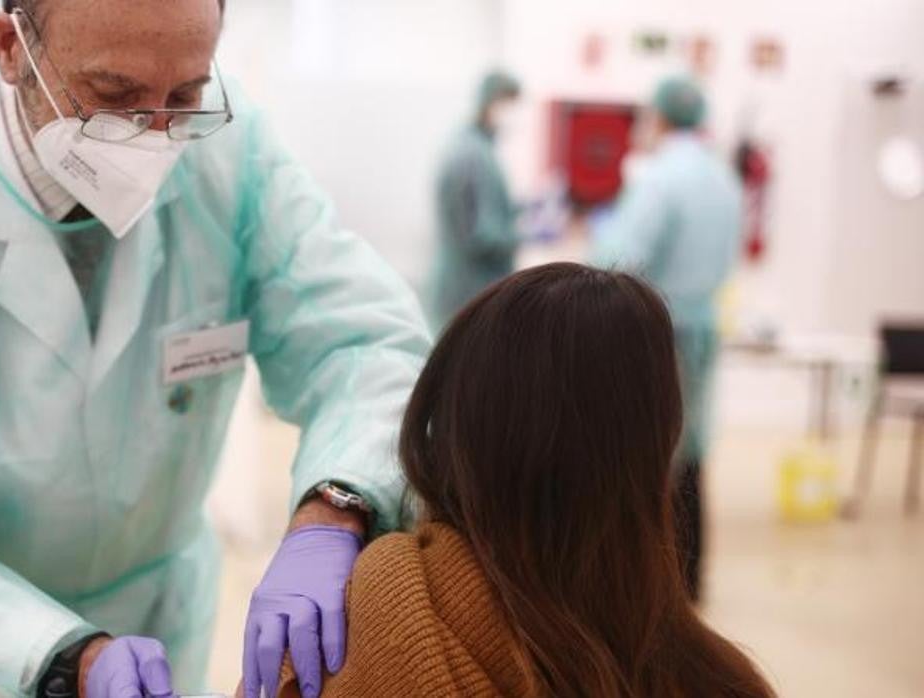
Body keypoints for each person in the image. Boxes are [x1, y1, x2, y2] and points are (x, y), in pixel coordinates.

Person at [0, 1, 431, 696]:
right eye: (112, 98)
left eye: (184, 96)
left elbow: (364, 341)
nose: (153, 137)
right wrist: (70, 659)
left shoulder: (231, 151)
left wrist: (333, 510)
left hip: (156, 622)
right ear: (9, 48)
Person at [270, 263, 774, 697]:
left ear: (453, 418)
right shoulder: (718, 679)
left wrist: (333, 507)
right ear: (656, 452)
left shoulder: (360, 618)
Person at [593, 76, 743, 600]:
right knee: (692, 450)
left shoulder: (660, 179)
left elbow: (618, 259)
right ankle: (691, 576)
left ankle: (655, 584)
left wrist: (599, 233)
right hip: (702, 328)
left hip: (659, 335)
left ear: (658, 118)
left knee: (652, 457)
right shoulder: (722, 177)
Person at [427, 71, 523, 331]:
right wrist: (530, 235)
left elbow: (487, 206)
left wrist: (525, 207)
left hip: (464, 287)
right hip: (469, 289)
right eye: (510, 103)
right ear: (492, 101)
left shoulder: (473, 146)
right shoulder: (474, 156)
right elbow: (482, 236)